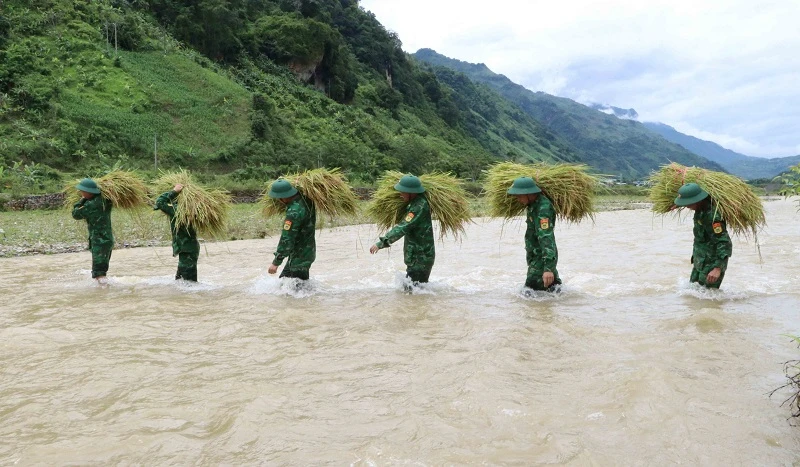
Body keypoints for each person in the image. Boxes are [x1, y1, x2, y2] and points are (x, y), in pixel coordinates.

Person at [369, 174, 435, 286]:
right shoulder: (414, 204)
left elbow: (403, 226)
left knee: (411, 294)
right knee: (416, 292)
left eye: (403, 191)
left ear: (411, 192)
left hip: (420, 258)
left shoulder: (418, 207)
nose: (400, 194)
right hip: (418, 257)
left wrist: (382, 242)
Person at [673, 182, 732, 288]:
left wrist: (717, 268)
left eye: (689, 203)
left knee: (710, 300)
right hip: (699, 260)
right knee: (694, 295)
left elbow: (724, 242)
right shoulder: (699, 209)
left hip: (711, 265)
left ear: (698, 200)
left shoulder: (712, 217)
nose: (687, 206)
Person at [508, 176, 561, 292]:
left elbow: (547, 237)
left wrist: (548, 268)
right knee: (552, 291)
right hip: (537, 257)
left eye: (519, 196)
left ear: (529, 193)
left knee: (528, 294)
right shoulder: (532, 206)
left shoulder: (543, 208)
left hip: (541, 259)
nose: (518, 199)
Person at [267, 179, 316, 281]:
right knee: (285, 287)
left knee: (295, 292)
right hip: (305, 253)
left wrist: (276, 263)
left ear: (283, 198)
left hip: (299, 259)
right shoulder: (307, 201)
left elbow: (287, 239)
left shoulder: (293, 213)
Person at [71, 178, 113, 283]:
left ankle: (103, 293)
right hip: (107, 240)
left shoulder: (90, 205)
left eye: (82, 191)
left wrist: (81, 200)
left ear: (88, 192)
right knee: (102, 270)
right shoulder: (106, 201)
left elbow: (75, 214)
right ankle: (103, 290)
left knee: (99, 273)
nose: (81, 193)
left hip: (99, 242)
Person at [154, 184, 200, 282]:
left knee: (186, 282)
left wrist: (174, 192)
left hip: (186, 249)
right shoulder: (193, 210)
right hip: (190, 248)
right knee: (182, 281)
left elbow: (160, 202)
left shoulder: (179, 210)